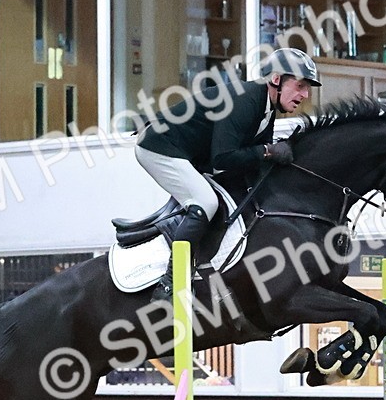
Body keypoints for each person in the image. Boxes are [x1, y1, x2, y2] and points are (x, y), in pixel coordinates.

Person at [135, 47, 322, 302]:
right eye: (300, 85)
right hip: (158, 148)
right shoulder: (245, 100)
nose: (305, 94)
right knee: (206, 201)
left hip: (188, 154)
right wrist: (268, 151)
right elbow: (223, 159)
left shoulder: (265, 111)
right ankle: (169, 283)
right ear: (276, 79)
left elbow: (250, 164)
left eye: (307, 88)